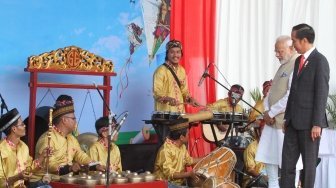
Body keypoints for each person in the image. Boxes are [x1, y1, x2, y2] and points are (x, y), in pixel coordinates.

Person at [281, 24, 330, 188]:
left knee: (308, 167)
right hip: (292, 123)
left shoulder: (320, 61)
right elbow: (293, 91)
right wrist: (286, 117)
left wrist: (317, 123)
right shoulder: (297, 61)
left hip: (310, 125)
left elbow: (321, 93)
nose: (292, 44)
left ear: (304, 40)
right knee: (287, 165)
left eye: (294, 40)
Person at [256, 35, 303, 188]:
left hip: (284, 123)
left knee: (290, 165)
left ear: (291, 49)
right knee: (270, 160)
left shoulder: (297, 63)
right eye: (276, 51)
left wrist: (272, 112)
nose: (277, 54)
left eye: (280, 51)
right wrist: (267, 110)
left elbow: (290, 95)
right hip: (271, 122)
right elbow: (271, 92)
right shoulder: (283, 64)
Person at [30, 95, 106, 184]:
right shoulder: (48, 138)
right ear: (64, 120)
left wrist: (95, 165)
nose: (75, 121)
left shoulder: (71, 139)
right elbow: (48, 164)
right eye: (73, 118)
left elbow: (81, 156)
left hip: (61, 179)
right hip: (43, 181)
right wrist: (69, 168)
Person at [153, 39, 200, 142]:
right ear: (167, 54)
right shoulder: (160, 71)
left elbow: (184, 92)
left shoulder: (182, 70)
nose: (175, 55)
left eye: (178, 52)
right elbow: (157, 93)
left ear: (181, 54)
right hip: (165, 117)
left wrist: (190, 99)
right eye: (172, 52)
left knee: (182, 145)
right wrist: (168, 98)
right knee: (167, 146)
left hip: (180, 116)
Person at [0, 108, 50, 188]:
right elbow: (1, 182)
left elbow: (29, 168)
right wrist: (17, 177)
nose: (25, 125)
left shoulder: (23, 146)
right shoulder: (2, 149)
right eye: (22, 124)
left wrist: (42, 156)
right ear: (14, 129)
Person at [153, 122, 201, 188]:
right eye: (188, 134)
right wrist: (189, 174)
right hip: (165, 184)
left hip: (177, 184)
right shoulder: (165, 150)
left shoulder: (182, 146)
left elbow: (189, 161)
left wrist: (208, 156)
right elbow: (170, 174)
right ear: (181, 137)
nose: (189, 136)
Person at [243, 122, 268, 188]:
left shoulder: (274, 146)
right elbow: (250, 169)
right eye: (264, 130)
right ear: (258, 131)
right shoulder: (251, 148)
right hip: (254, 180)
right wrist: (263, 178)